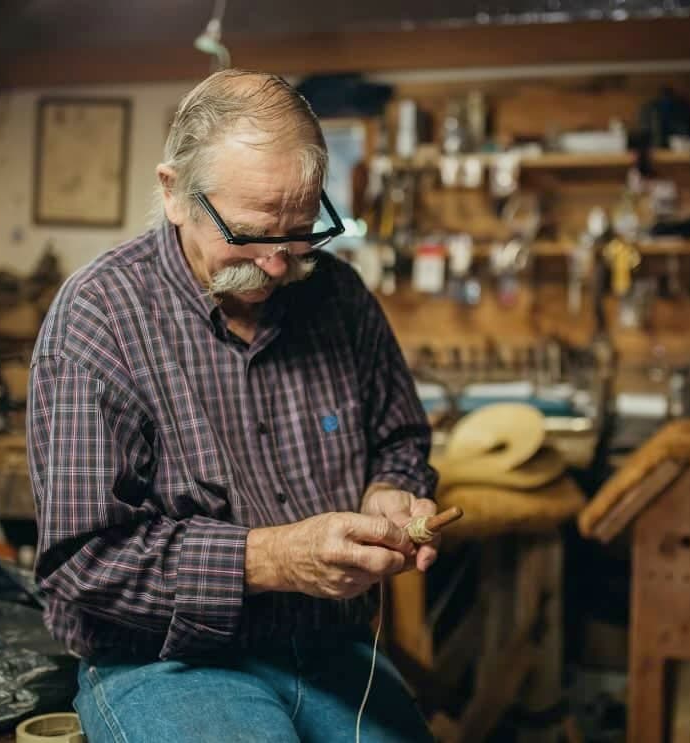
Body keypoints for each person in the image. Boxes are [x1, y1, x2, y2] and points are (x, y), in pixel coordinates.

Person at [27, 69, 439, 743]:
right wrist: (276, 558)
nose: (278, 265)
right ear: (174, 194)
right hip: (165, 662)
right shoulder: (97, 317)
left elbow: (399, 438)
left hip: (330, 649)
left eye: (300, 231)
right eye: (248, 235)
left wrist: (390, 490)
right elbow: (83, 558)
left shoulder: (337, 297)